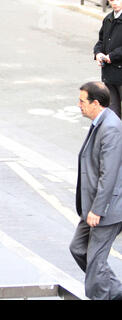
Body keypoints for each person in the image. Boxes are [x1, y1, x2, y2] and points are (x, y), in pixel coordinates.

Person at [70, 81, 122, 300]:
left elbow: (108, 174)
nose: (79, 105)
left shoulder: (111, 128)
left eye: (82, 101)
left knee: (95, 261)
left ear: (96, 103)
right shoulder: (99, 122)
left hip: (106, 210)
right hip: (91, 207)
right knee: (78, 249)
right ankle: (116, 292)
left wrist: (98, 210)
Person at [94, 0, 122, 118]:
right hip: (110, 74)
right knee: (113, 113)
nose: (114, 2)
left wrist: (112, 56)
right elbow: (101, 41)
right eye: (111, 0)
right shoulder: (108, 19)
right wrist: (98, 53)